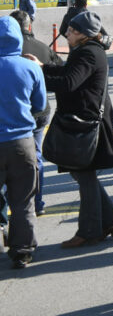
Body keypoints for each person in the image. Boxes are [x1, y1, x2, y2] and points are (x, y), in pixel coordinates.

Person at [35, 11, 113, 248]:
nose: (67, 35)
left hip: (84, 123)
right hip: (85, 120)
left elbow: (67, 83)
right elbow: (67, 73)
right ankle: (111, 221)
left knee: (84, 174)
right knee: (85, 174)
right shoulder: (88, 51)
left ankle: (90, 230)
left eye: (72, 31)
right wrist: (43, 67)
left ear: (84, 35)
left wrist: (35, 75)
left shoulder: (87, 53)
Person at [0, 15, 46, 269]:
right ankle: (23, 250)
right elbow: (39, 105)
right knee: (23, 199)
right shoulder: (29, 67)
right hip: (21, 141)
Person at [8, 11, 60, 216]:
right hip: (38, 112)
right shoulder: (41, 48)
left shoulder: (7, 51)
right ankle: (37, 203)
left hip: (11, 115)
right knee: (35, 158)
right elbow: (59, 70)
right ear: (29, 26)